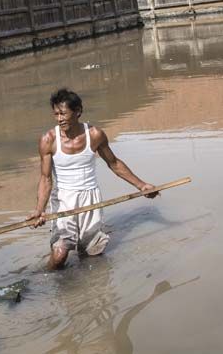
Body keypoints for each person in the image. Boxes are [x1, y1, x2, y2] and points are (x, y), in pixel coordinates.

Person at [27, 88, 158, 270]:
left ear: (78, 111)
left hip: (91, 198)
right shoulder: (48, 140)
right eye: (56, 114)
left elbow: (114, 163)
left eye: (63, 113)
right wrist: (40, 210)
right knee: (59, 256)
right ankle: (42, 279)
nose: (59, 119)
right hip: (64, 200)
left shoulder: (94, 135)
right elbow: (46, 179)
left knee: (92, 254)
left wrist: (142, 185)